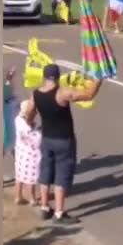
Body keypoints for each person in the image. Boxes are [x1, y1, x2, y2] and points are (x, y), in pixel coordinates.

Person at [34, 63, 103, 224]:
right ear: (58, 78)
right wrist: (98, 80)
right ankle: (59, 213)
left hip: (46, 139)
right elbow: (88, 95)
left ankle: (44, 207)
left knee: (45, 174)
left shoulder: (36, 94)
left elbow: (29, 112)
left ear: (44, 77)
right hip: (64, 141)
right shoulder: (62, 93)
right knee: (61, 176)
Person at [13, 99, 42, 205]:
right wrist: (40, 130)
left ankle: (18, 196)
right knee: (31, 178)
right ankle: (32, 199)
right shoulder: (28, 126)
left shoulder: (17, 119)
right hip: (30, 155)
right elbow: (35, 139)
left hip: (20, 152)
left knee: (19, 176)